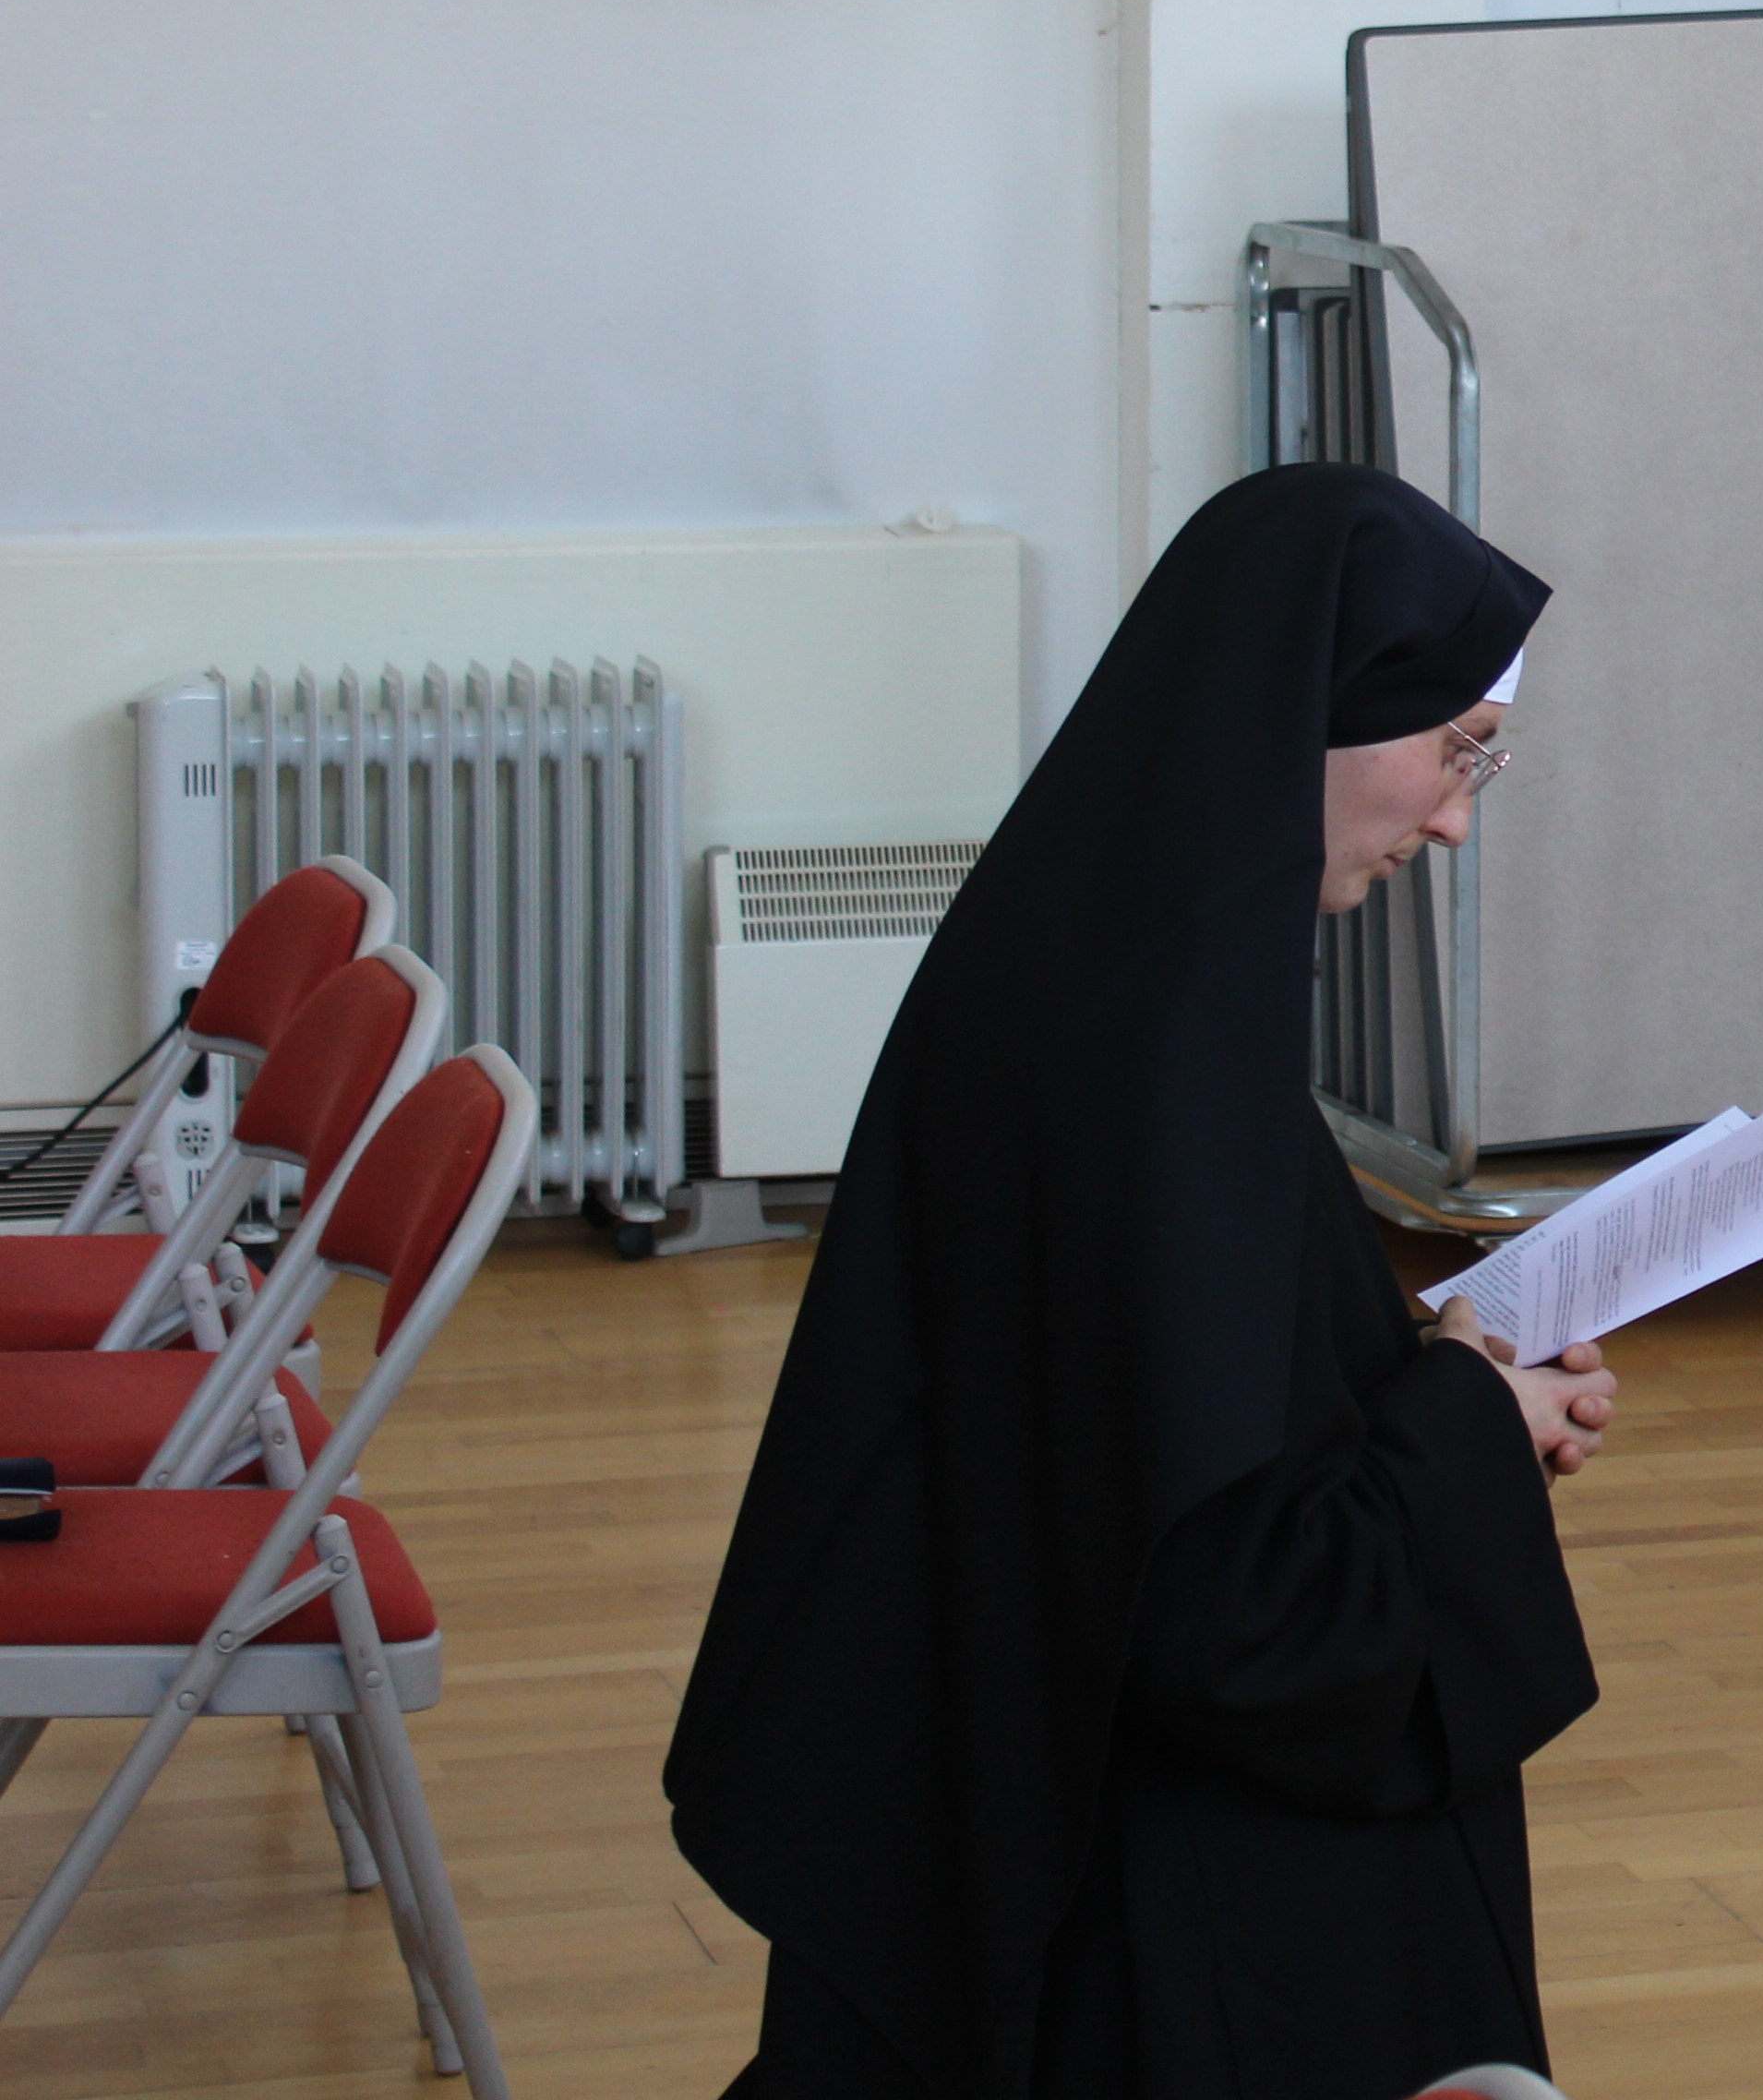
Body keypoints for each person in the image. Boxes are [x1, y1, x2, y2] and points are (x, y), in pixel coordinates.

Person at [670, 463, 1616, 2098]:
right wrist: (1472, 1419)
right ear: (1304, 708)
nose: (1457, 817)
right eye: (1455, 751)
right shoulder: (1170, 1058)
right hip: (1156, 1904)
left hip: (995, 1753)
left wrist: (1442, 1361)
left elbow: (1163, 1392)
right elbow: (1233, 1609)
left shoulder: (1085, 938)